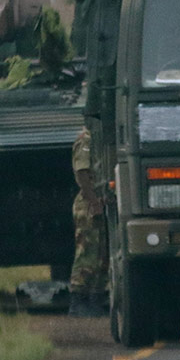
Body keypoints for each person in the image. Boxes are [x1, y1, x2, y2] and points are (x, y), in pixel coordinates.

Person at [67, 126, 109, 317]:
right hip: (88, 203)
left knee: (101, 254)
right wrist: (94, 202)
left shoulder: (100, 136)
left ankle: (95, 298)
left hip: (100, 200)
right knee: (87, 253)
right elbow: (82, 173)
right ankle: (78, 300)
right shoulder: (86, 138)